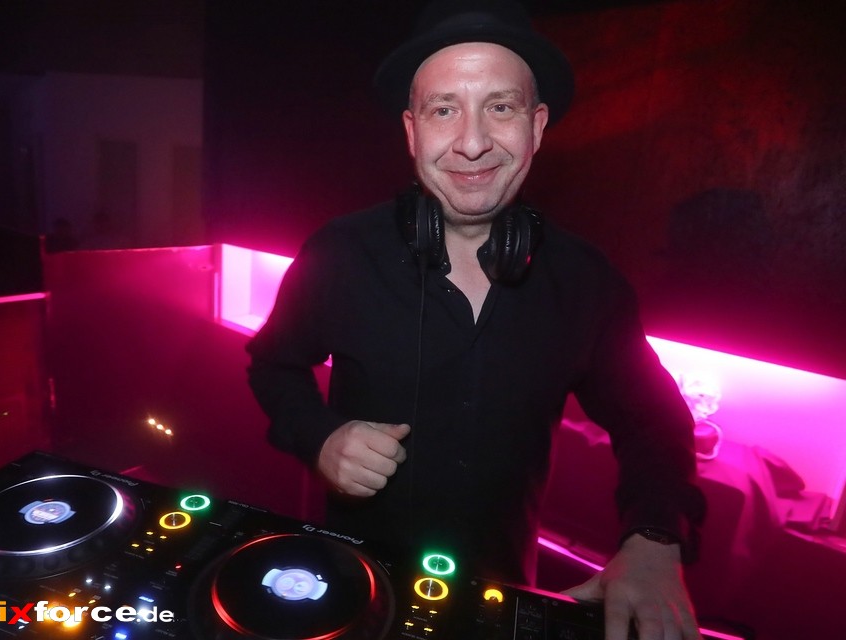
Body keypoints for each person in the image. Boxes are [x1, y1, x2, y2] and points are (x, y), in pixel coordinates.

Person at [246, 1, 706, 638]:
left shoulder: (587, 282)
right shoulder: (339, 254)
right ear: (412, 132)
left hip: (501, 598)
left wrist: (655, 541)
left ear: (536, 127)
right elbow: (273, 365)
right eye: (444, 110)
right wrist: (319, 437)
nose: (471, 142)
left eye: (501, 107)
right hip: (352, 589)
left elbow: (655, 421)